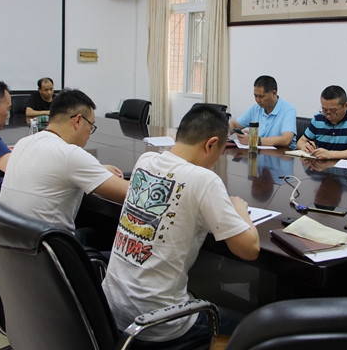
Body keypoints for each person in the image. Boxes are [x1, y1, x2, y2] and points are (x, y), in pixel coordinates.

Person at [102, 105, 260, 347]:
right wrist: (240, 211)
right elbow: (250, 249)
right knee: (257, 328)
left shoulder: (145, 160)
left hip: (111, 311)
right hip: (160, 325)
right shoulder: (204, 180)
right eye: (219, 153)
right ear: (211, 144)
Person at [0, 88, 129, 233]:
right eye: (91, 126)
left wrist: (98, 169)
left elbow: (53, 168)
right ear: (78, 120)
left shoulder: (24, 142)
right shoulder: (70, 154)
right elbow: (132, 194)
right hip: (48, 243)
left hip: (12, 238)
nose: (89, 134)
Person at [296, 85, 347, 160]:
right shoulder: (318, 118)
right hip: (320, 165)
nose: (328, 115)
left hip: (344, 166)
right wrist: (304, 146)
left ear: (346, 106)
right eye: (324, 110)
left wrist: (330, 154)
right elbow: (301, 141)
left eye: (333, 110)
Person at [229, 75, 296, 149]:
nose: (257, 100)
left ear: (274, 93)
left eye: (261, 97)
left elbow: (286, 140)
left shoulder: (288, 110)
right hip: (259, 153)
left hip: (282, 154)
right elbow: (234, 124)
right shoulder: (256, 109)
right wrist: (224, 132)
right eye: (255, 96)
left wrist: (254, 140)